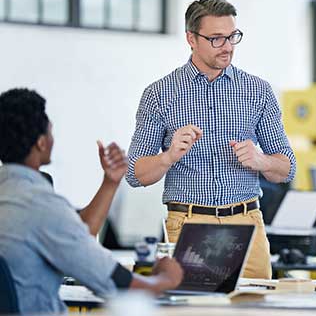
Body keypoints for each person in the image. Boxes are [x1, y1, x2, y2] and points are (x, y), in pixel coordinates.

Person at [126, 0, 296, 279]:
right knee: (195, 309)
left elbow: (287, 168)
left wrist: (262, 161)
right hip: (189, 224)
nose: (227, 47)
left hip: (247, 223)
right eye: (216, 38)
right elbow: (134, 173)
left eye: (232, 37)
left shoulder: (258, 92)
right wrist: (168, 157)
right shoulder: (159, 94)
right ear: (191, 38)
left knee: (258, 309)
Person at [0, 88, 183, 314]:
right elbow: (119, 283)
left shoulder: (12, 195)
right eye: (50, 131)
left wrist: (110, 182)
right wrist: (166, 278)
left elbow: (77, 232)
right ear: (41, 143)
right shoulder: (41, 205)